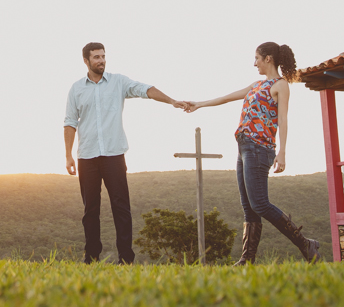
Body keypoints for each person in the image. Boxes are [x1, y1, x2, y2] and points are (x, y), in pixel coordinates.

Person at [183, 42, 322, 265]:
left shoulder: (281, 85)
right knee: (249, 207)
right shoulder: (256, 85)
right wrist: (199, 104)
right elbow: (226, 98)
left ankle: (305, 243)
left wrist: (283, 152)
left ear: (268, 58)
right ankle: (247, 259)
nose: (254, 62)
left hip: (260, 149)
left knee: (260, 204)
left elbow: (284, 119)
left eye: (257, 58)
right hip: (244, 148)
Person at [64, 42, 189, 264]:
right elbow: (70, 123)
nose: (101, 60)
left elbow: (145, 89)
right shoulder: (76, 89)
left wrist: (171, 101)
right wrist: (68, 155)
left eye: (103, 56)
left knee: (121, 207)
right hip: (87, 156)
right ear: (86, 61)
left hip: (114, 155)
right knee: (90, 210)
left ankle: (126, 259)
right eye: (96, 57)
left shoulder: (118, 82)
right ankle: (91, 258)